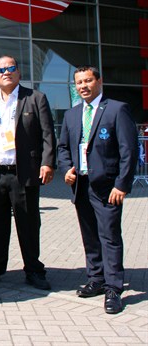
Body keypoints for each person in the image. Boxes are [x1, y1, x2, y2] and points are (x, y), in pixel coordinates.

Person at [57, 65, 139, 314]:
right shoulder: (72, 115)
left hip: (108, 188)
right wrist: (67, 169)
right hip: (81, 185)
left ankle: (114, 288)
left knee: (110, 237)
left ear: (99, 81)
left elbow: (129, 151)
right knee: (90, 236)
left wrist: (122, 185)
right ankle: (96, 279)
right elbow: (63, 148)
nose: (83, 86)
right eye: (79, 82)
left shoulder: (116, 109)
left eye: (88, 81)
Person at [0, 55, 56, 290]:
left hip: (23, 173)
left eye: (11, 68)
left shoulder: (35, 98)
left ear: (18, 72)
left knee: (29, 223)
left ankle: (33, 269)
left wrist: (48, 162)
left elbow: (47, 133)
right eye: (1, 69)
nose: (6, 72)